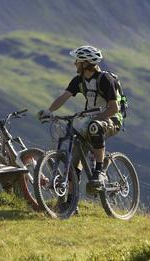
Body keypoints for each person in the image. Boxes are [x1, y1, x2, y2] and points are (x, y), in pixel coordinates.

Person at [38, 45, 122, 191]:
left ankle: (99, 170)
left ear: (85, 63)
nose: (74, 63)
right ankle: (70, 201)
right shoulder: (78, 81)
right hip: (91, 119)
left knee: (94, 127)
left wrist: (97, 119)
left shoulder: (105, 79)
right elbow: (64, 97)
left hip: (112, 118)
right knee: (74, 152)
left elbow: (114, 108)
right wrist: (49, 111)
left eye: (77, 61)